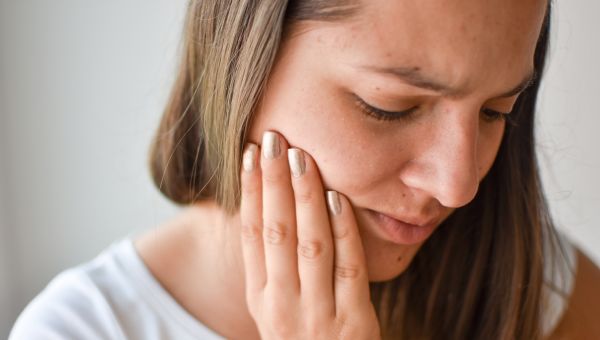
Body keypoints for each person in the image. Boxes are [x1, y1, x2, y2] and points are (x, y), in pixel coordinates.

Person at [9, 0, 600, 339]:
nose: (458, 184)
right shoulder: (83, 331)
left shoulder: (537, 289)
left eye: (496, 112)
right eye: (388, 107)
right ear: (245, 62)